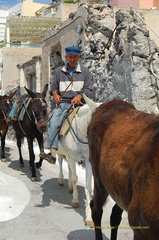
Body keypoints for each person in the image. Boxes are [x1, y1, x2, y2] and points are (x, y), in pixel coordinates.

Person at [40, 46, 93, 163]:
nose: (72, 59)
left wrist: (79, 96)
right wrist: (55, 95)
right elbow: (53, 87)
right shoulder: (59, 71)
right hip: (63, 103)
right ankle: (53, 151)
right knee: (54, 121)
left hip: (80, 104)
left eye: (75, 57)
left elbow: (89, 89)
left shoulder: (85, 71)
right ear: (66, 57)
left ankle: (90, 149)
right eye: (70, 57)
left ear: (78, 57)